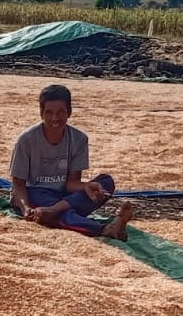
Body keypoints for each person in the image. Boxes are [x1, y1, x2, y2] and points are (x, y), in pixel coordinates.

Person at [8, 84, 134, 241]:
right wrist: (25, 208)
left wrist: (86, 186)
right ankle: (103, 229)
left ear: (69, 112)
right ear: (41, 113)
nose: (55, 118)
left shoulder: (79, 139)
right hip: (37, 193)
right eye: (49, 112)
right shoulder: (26, 140)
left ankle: (54, 211)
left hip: (66, 197)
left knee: (105, 182)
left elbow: (71, 183)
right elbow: (18, 184)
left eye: (60, 112)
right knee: (53, 210)